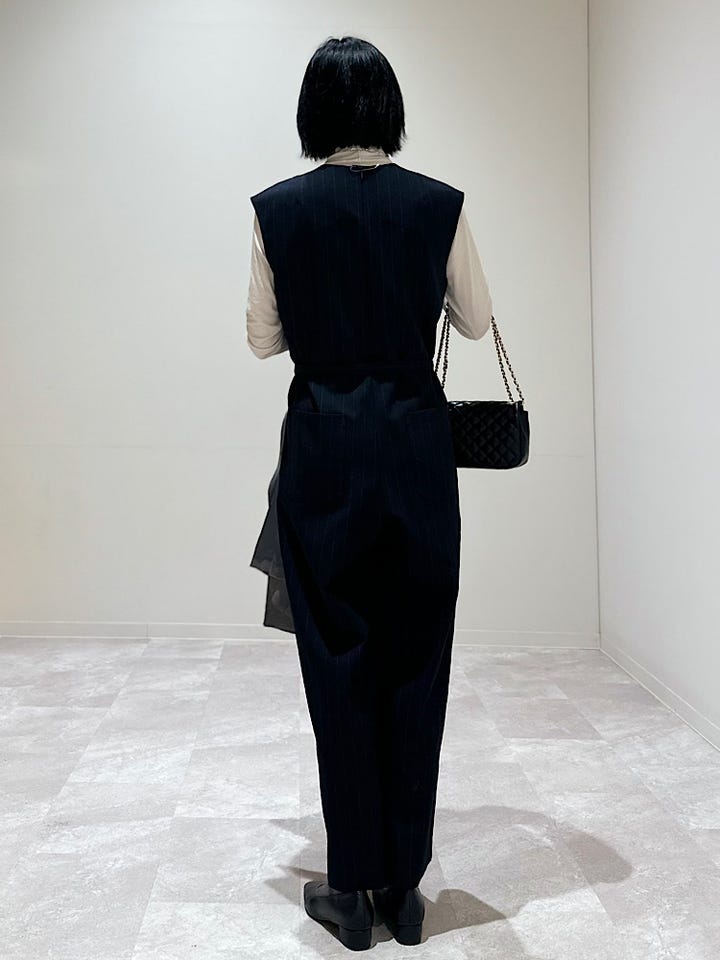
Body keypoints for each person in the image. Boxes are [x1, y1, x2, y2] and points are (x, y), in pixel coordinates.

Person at [246, 36, 492, 951]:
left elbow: (263, 340)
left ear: (313, 113)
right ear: (389, 109)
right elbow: (475, 321)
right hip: (417, 455)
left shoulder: (277, 210)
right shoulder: (439, 204)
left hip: (322, 452)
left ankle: (349, 889)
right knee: (416, 658)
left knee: (338, 661)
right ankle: (403, 888)